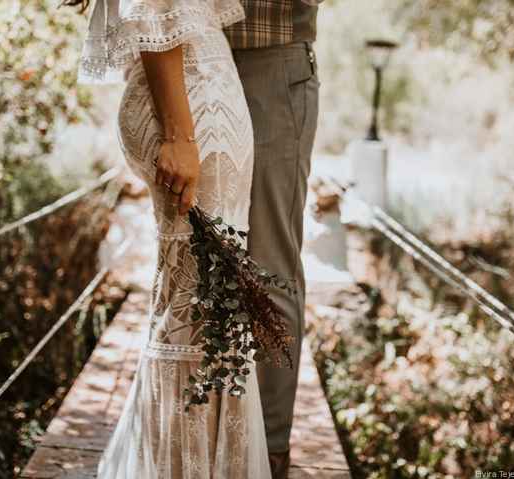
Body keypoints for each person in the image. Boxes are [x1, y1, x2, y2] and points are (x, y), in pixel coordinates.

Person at [74, 0, 271, 477]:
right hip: (193, 112)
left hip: (196, 101)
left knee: (203, 317)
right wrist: (180, 136)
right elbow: (154, 8)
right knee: (200, 324)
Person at [225, 1, 321, 478]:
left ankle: (270, 451)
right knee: (198, 264)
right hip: (193, 65)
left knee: (269, 264)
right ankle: (209, 432)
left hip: (271, 62)